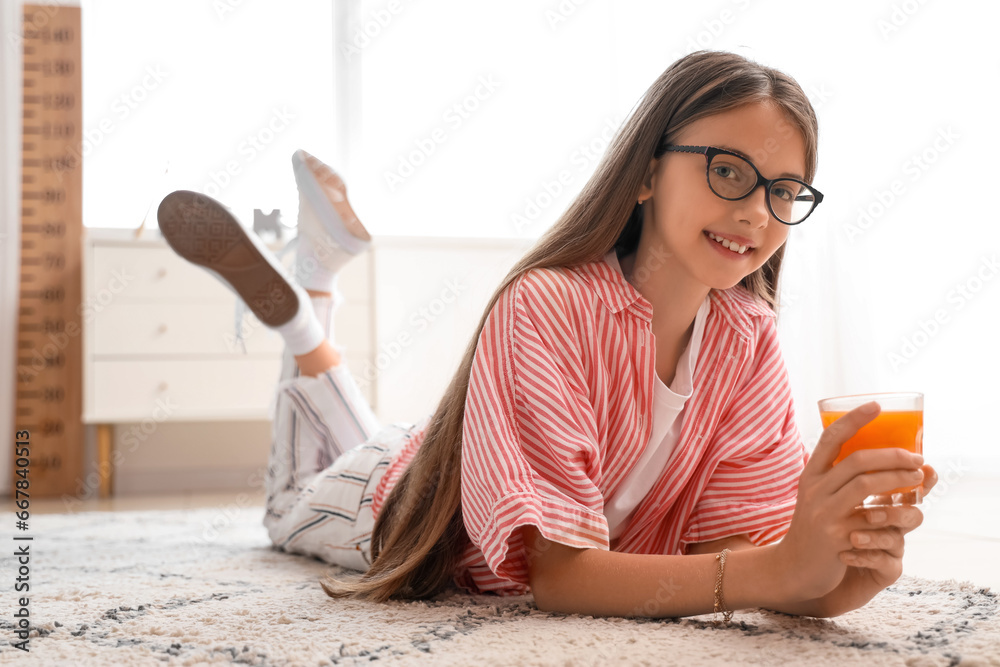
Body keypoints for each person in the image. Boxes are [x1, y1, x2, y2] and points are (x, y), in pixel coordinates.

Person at [157, 50, 938, 620]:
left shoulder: (750, 336)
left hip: (468, 452)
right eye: (727, 172)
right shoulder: (546, 304)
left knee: (367, 434)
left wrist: (835, 581)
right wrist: (776, 575)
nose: (756, 213)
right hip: (393, 496)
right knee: (289, 501)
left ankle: (314, 277)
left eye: (784, 191)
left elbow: (720, 556)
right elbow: (559, 577)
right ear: (644, 172)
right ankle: (306, 307)